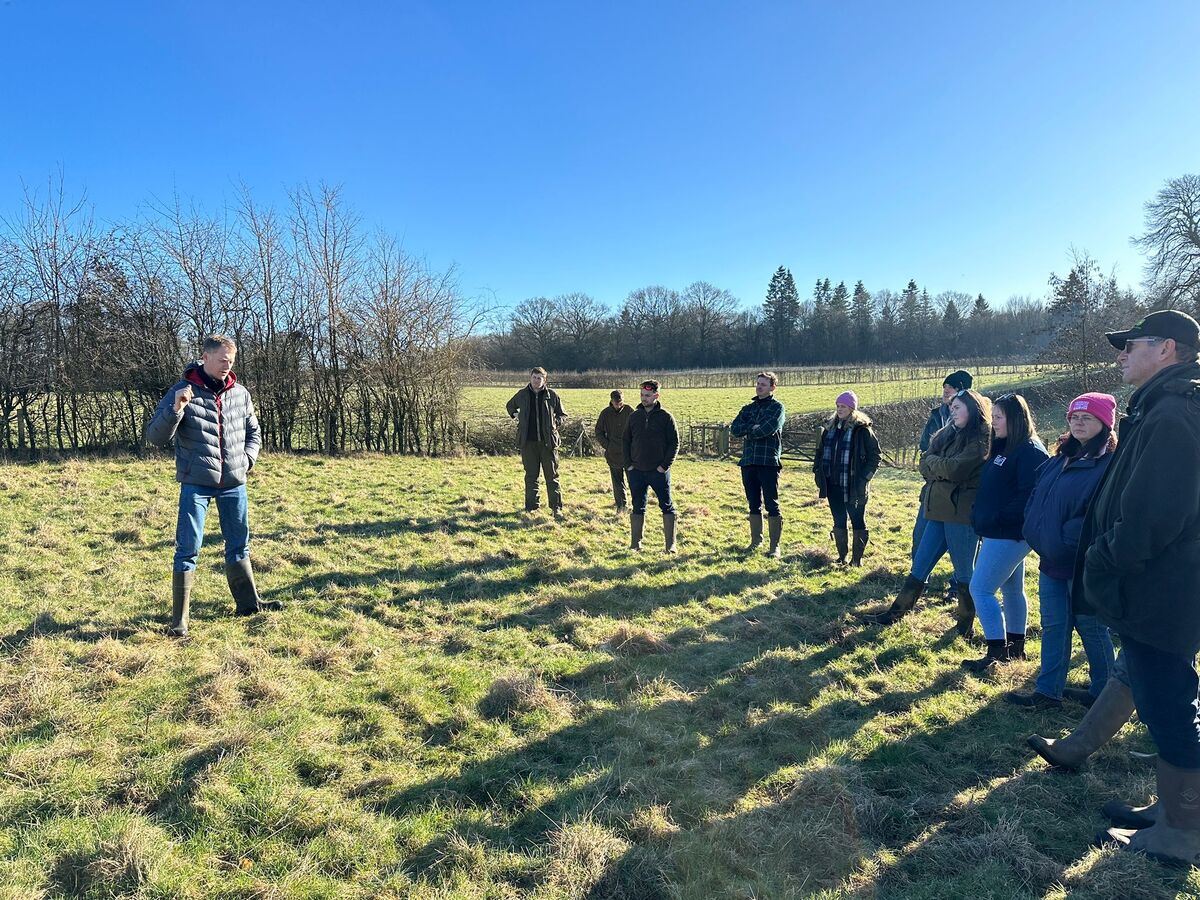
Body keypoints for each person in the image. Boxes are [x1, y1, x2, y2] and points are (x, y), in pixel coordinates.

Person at [1073, 310, 1200, 865]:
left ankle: (1184, 832)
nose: (1121, 353)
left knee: (1168, 703)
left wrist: (1105, 556)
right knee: (1165, 695)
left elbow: (1152, 517)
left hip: (1160, 590)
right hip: (1165, 586)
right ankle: (1172, 809)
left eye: (1131, 344)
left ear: (1167, 348)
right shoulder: (1165, 409)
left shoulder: (1173, 415)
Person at [145, 334, 280, 638]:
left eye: (230, 361)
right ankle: (179, 621)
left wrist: (247, 461)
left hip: (234, 482)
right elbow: (155, 437)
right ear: (204, 358)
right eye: (221, 360)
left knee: (239, 544)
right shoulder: (181, 392)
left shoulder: (241, 393)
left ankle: (248, 605)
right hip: (196, 484)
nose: (226, 365)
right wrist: (176, 410)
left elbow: (253, 432)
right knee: (187, 549)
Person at [1008, 393, 1117, 708]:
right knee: (1054, 625)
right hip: (1050, 560)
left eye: (1087, 417)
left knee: (1091, 627)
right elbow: (1037, 497)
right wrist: (1035, 529)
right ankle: (1047, 692)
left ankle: (1105, 695)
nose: (1079, 422)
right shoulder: (1059, 457)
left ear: (1104, 423)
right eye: (1074, 417)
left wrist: (1066, 542)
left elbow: (1099, 516)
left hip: (1082, 563)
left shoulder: (1109, 464)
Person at [860, 388, 990, 631]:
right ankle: (896, 613)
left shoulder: (981, 438)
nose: (953, 412)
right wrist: (936, 465)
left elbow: (955, 470)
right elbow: (925, 463)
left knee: (964, 573)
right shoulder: (948, 433)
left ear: (973, 409)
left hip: (961, 514)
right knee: (920, 565)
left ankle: (965, 624)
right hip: (938, 510)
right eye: (951, 408)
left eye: (958, 408)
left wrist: (935, 465)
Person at [961, 394, 1049, 673]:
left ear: (1016, 419)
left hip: (1009, 534)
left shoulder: (1030, 451)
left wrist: (996, 517)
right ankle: (1015, 648)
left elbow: (1029, 496)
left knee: (980, 589)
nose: (993, 422)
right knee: (1012, 589)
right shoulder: (1004, 447)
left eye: (998, 417)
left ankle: (996, 652)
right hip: (997, 531)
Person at [912, 370, 974, 599]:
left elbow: (959, 467)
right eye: (945, 387)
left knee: (963, 551)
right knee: (920, 537)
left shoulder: (976, 425)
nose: (946, 391)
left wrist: (937, 464)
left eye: (952, 387)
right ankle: (918, 585)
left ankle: (958, 590)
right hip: (933, 491)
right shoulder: (936, 415)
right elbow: (924, 453)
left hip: (960, 499)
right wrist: (936, 469)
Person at [813, 390, 880, 565]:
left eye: (843, 406)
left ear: (852, 408)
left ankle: (856, 560)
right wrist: (817, 472)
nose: (839, 409)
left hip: (854, 486)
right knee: (838, 520)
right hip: (833, 484)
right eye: (837, 406)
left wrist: (864, 478)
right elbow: (819, 453)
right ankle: (842, 557)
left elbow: (875, 456)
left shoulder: (863, 430)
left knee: (858, 521)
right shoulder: (830, 429)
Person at [730, 372, 787, 558]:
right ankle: (756, 541)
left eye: (763, 384)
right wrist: (751, 428)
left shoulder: (777, 408)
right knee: (753, 503)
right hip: (748, 462)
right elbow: (735, 428)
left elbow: (768, 429)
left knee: (772, 504)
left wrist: (751, 430)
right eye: (758, 383)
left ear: (772, 387)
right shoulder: (748, 408)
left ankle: (774, 546)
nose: (759, 386)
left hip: (768, 462)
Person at [623, 380, 679, 554]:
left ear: (656, 395)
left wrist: (664, 466)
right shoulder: (633, 416)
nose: (644, 398)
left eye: (647, 395)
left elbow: (674, 443)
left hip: (659, 472)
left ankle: (670, 545)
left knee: (667, 506)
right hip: (637, 471)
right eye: (642, 395)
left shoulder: (665, 417)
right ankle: (635, 544)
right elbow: (625, 441)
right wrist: (628, 466)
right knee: (638, 506)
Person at [505, 367, 568, 517]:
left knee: (552, 477)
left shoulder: (552, 395)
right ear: (530, 378)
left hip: (548, 443)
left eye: (540, 378)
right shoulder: (522, 395)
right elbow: (509, 406)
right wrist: (516, 415)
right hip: (528, 443)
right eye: (534, 377)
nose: (536, 380)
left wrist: (555, 422)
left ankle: (556, 508)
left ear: (544, 379)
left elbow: (563, 415)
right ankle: (531, 508)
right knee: (531, 476)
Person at [595, 390, 633, 510]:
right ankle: (621, 506)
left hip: (630, 454)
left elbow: (638, 430)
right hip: (613, 454)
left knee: (634, 481)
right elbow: (598, 431)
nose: (618, 405)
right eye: (616, 402)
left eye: (620, 402)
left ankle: (638, 505)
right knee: (617, 483)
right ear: (611, 401)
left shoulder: (630, 412)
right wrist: (607, 445)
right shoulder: (605, 414)